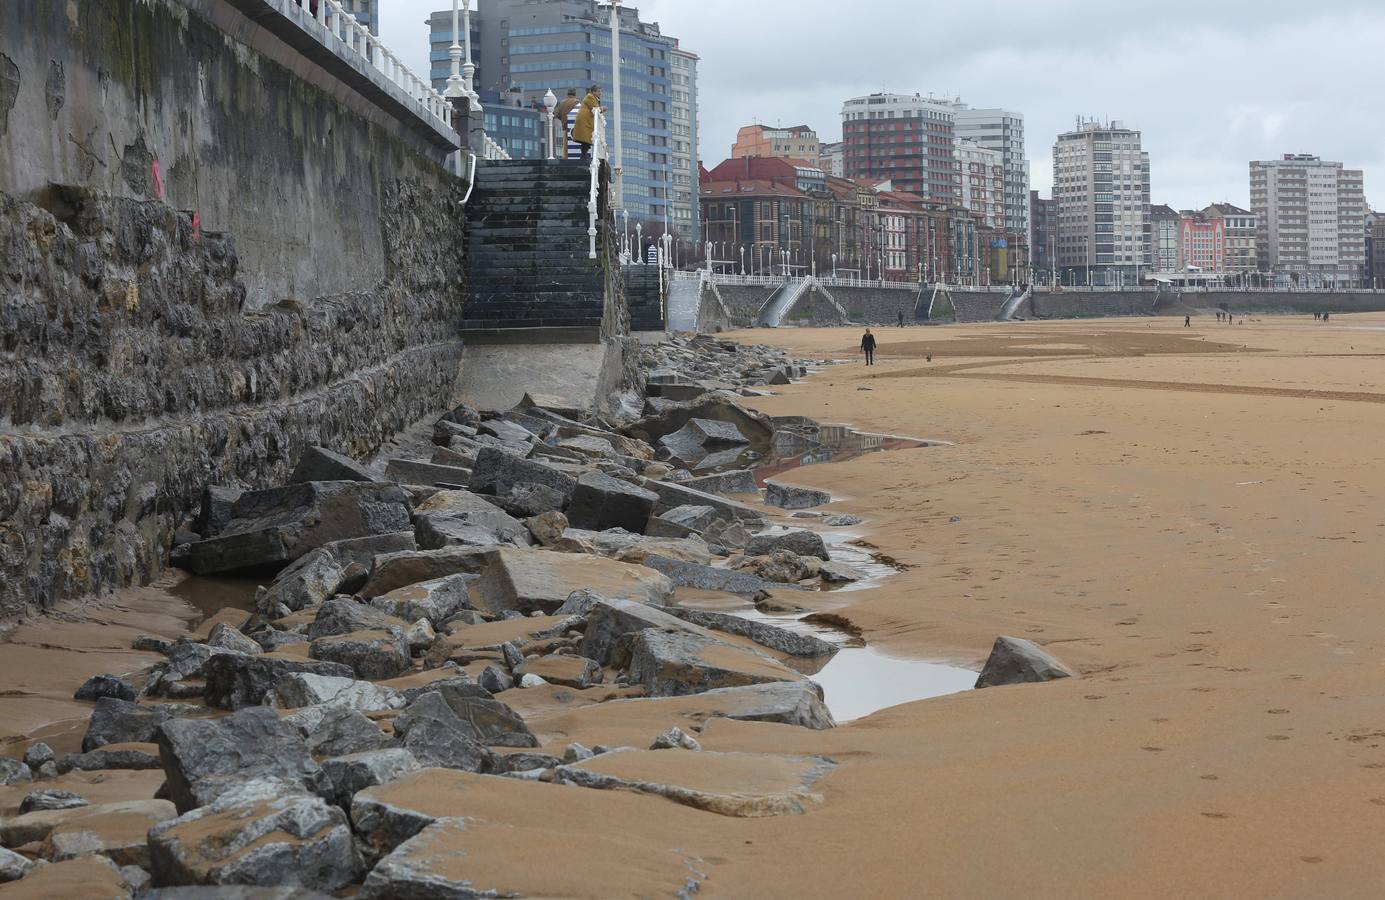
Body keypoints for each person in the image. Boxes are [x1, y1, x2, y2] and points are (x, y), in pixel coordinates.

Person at [571, 84, 604, 161]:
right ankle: (583, 155)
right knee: (586, 139)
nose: (600, 93)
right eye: (598, 91)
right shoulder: (590, 97)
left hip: (586, 121)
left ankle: (584, 155)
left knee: (587, 139)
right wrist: (603, 108)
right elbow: (596, 108)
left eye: (601, 91)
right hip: (585, 121)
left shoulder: (593, 98)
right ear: (593, 92)